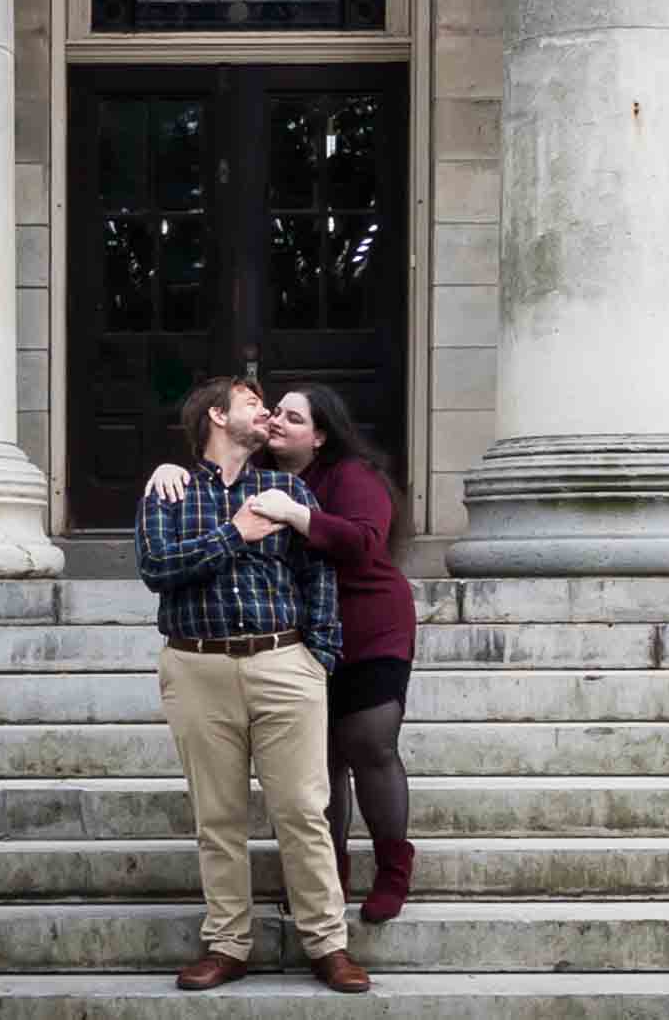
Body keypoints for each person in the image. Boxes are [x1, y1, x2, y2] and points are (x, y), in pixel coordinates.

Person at [135, 375, 372, 995]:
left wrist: (317, 657)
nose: (266, 414)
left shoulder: (287, 488)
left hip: (283, 664)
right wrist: (233, 533)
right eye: (252, 404)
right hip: (197, 667)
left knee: (302, 809)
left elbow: (317, 576)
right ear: (217, 415)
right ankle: (228, 944)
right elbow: (158, 570)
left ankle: (328, 944)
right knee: (219, 816)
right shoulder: (170, 491)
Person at [149, 383, 419, 923]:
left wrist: (297, 515)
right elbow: (211, 466)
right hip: (303, 633)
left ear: (320, 435)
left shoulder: (349, 477)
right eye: (273, 413)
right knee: (323, 762)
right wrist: (165, 469)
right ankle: (332, 874)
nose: (275, 422)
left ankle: (393, 869)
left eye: (292, 419)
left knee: (369, 743)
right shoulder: (261, 479)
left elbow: (366, 544)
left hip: (369, 626)